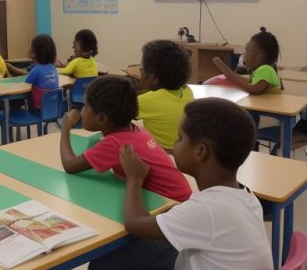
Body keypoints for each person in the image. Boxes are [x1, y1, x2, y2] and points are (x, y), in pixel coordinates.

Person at [107, 98, 271, 270]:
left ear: (200, 151)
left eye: (179, 138)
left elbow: (135, 223)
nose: (174, 144)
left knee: (106, 264)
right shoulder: (245, 195)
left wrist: (134, 177)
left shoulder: (207, 209)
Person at [59, 76, 192, 203]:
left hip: (172, 204)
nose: (82, 111)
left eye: (86, 106)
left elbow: (70, 166)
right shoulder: (137, 130)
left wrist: (66, 128)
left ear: (102, 118)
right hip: (183, 196)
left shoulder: (114, 143)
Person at [137, 40, 194, 150]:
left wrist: (139, 86)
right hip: (182, 152)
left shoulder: (147, 101)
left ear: (153, 78)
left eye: (142, 69)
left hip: (160, 155)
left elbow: (114, 112)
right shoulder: (187, 91)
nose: (140, 71)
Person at [212, 27, 282, 94]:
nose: (243, 54)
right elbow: (247, 82)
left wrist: (220, 64)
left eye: (247, 51)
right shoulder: (260, 71)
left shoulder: (266, 69)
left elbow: (254, 89)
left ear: (258, 57)